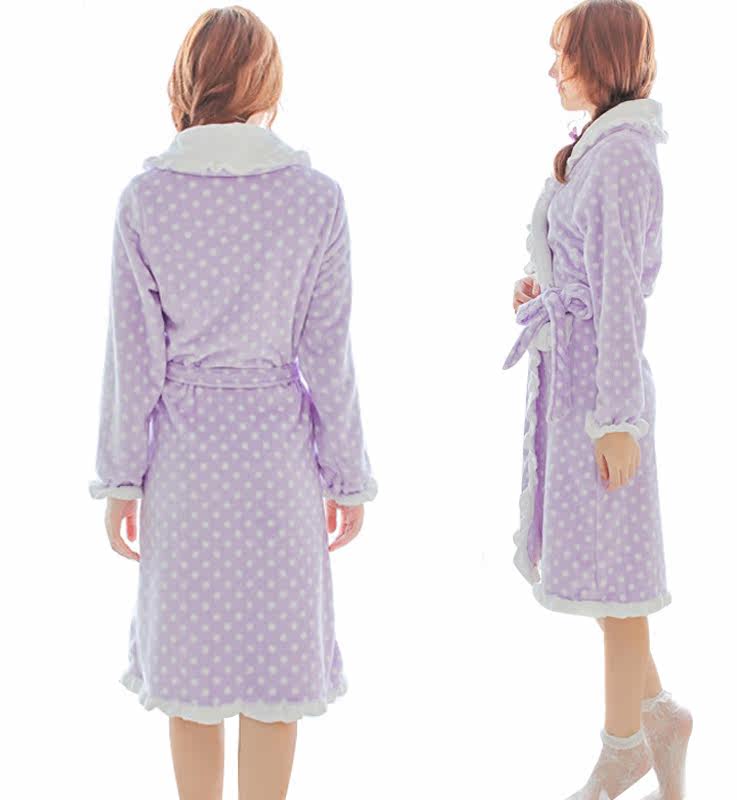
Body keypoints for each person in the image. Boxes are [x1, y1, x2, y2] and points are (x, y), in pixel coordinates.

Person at [88, 7, 377, 798]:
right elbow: (330, 356)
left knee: (192, 677)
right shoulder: (315, 198)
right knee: (275, 674)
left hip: (185, 469)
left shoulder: (147, 200)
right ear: (267, 84)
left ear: (187, 82)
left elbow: (132, 360)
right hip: (278, 466)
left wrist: (122, 480)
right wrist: (347, 477)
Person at [504, 2, 691, 798]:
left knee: (621, 583)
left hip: (601, 397)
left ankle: (625, 748)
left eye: (566, 57)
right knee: (607, 573)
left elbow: (621, 299)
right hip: (576, 381)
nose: (553, 71)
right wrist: (541, 289)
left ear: (605, 59)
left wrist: (617, 422)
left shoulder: (620, 157)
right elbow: (586, 272)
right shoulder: (599, 150)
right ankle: (661, 718)